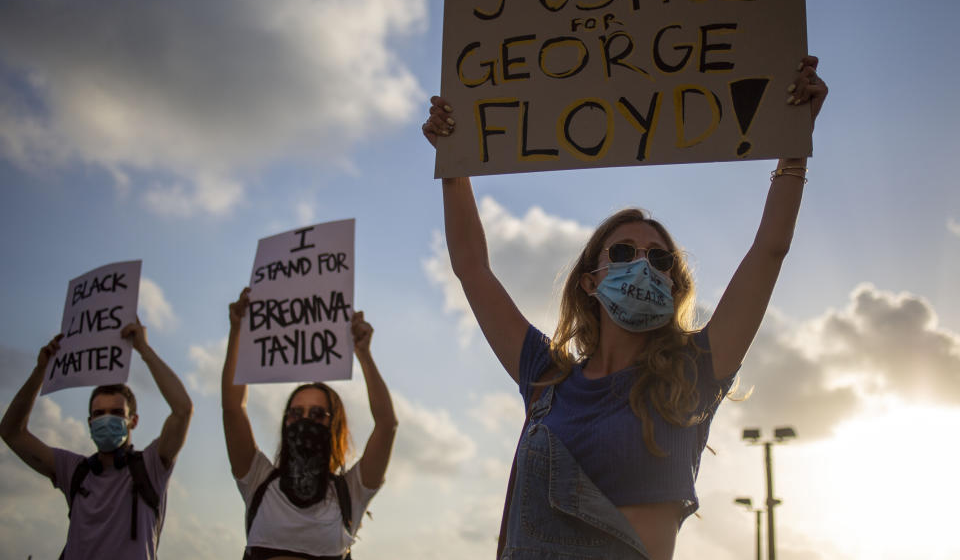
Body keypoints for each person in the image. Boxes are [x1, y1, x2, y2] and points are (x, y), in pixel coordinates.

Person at [422, 56, 828, 560]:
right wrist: (453, 162)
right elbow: (472, 267)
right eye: (622, 253)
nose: (642, 265)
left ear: (674, 284)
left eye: (658, 258)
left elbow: (769, 249)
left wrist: (794, 147)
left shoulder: (694, 372)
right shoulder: (546, 377)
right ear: (590, 281)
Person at [222, 288, 398, 560]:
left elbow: (386, 425)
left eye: (317, 415)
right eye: (295, 413)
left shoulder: (350, 493)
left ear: (334, 427)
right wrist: (238, 331)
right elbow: (233, 408)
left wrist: (363, 354)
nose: (304, 421)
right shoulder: (258, 480)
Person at [0, 320, 193, 560]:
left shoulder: (151, 466)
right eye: (99, 414)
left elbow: (183, 410)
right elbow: (11, 432)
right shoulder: (73, 471)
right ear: (89, 422)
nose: (106, 419)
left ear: (133, 421)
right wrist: (41, 370)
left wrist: (144, 349)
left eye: (116, 413)